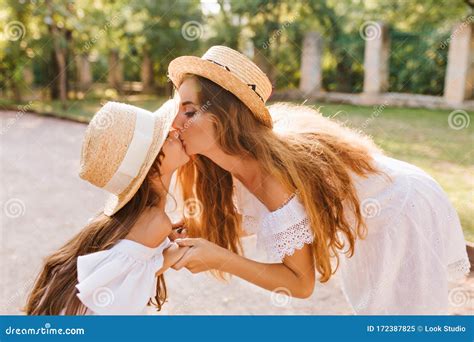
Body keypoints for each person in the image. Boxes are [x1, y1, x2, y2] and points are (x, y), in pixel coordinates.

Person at [166, 45, 470, 314]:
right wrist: (195, 228)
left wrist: (219, 258)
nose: (175, 122)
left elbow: (299, 283)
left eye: (189, 111)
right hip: (391, 197)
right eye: (177, 109)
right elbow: (259, 219)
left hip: (403, 209)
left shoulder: (270, 175)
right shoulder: (231, 163)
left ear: (225, 119)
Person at [25, 100, 190, 315]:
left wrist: (167, 243)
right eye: (167, 137)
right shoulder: (155, 222)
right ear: (150, 168)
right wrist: (184, 248)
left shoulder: (135, 218)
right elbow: (140, 278)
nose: (176, 133)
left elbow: (134, 270)